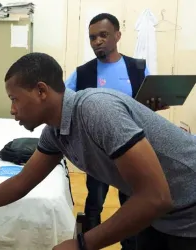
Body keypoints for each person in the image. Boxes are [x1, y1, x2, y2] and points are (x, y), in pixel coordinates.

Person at [0, 52, 196, 250]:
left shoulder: (96, 110)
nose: (12, 110)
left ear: (41, 91)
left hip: (189, 208)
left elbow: (155, 197)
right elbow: (21, 183)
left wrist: (81, 244)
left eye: (14, 98)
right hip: (162, 215)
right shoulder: (55, 132)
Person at [64, 13, 155, 250]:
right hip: (97, 154)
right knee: (94, 204)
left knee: (132, 206)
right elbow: (65, 104)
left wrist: (154, 104)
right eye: (92, 37)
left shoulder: (137, 68)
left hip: (131, 152)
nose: (97, 41)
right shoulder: (83, 73)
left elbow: (147, 105)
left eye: (103, 35)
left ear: (117, 35)